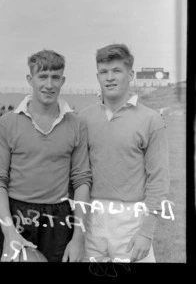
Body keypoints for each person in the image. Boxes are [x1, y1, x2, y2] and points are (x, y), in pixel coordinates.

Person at [0, 49, 92, 262]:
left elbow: (81, 180)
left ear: (63, 80)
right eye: (42, 76)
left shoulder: (76, 124)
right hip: (15, 214)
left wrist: (78, 238)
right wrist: (8, 231)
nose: (49, 84)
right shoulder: (8, 123)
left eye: (55, 77)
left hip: (59, 218)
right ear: (30, 79)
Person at [79, 44, 170, 263]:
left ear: (130, 75)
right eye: (104, 72)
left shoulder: (150, 119)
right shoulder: (84, 118)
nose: (110, 78)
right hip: (92, 215)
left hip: (131, 218)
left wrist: (146, 231)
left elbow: (158, 179)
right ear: (97, 76)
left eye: (116, 71)